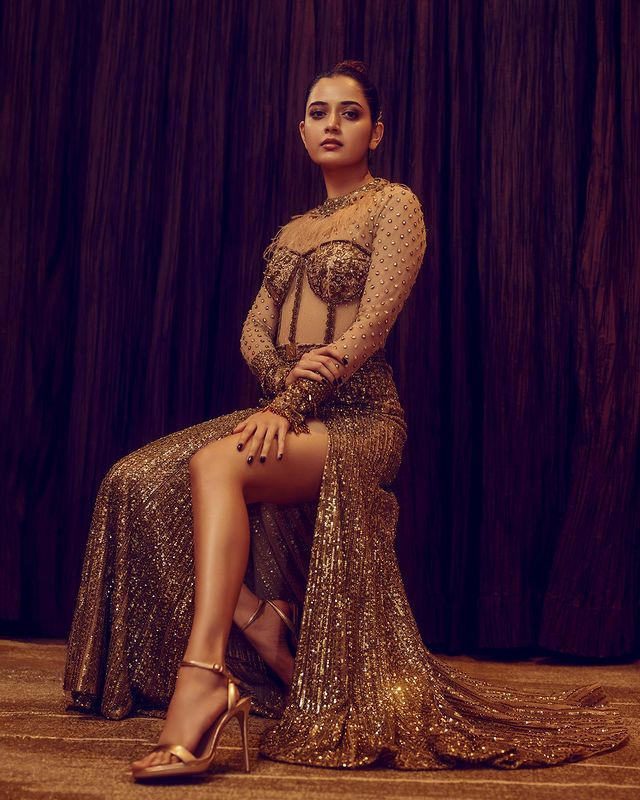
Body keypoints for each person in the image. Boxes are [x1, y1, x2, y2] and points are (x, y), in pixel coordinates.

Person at [63, 60, 628, 780]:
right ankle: (259, 619)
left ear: (376, 131)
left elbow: (369, 328)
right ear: (302, 131)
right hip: (286, 408)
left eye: (349, 113)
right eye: (318, 112)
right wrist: (280, 396)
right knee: (135, 481)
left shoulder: (395, 206)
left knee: (212, 465)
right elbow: (254, 330)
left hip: (359, 419)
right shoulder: (293, 230)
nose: (332, 124)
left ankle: (202, 680)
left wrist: (290, 405)